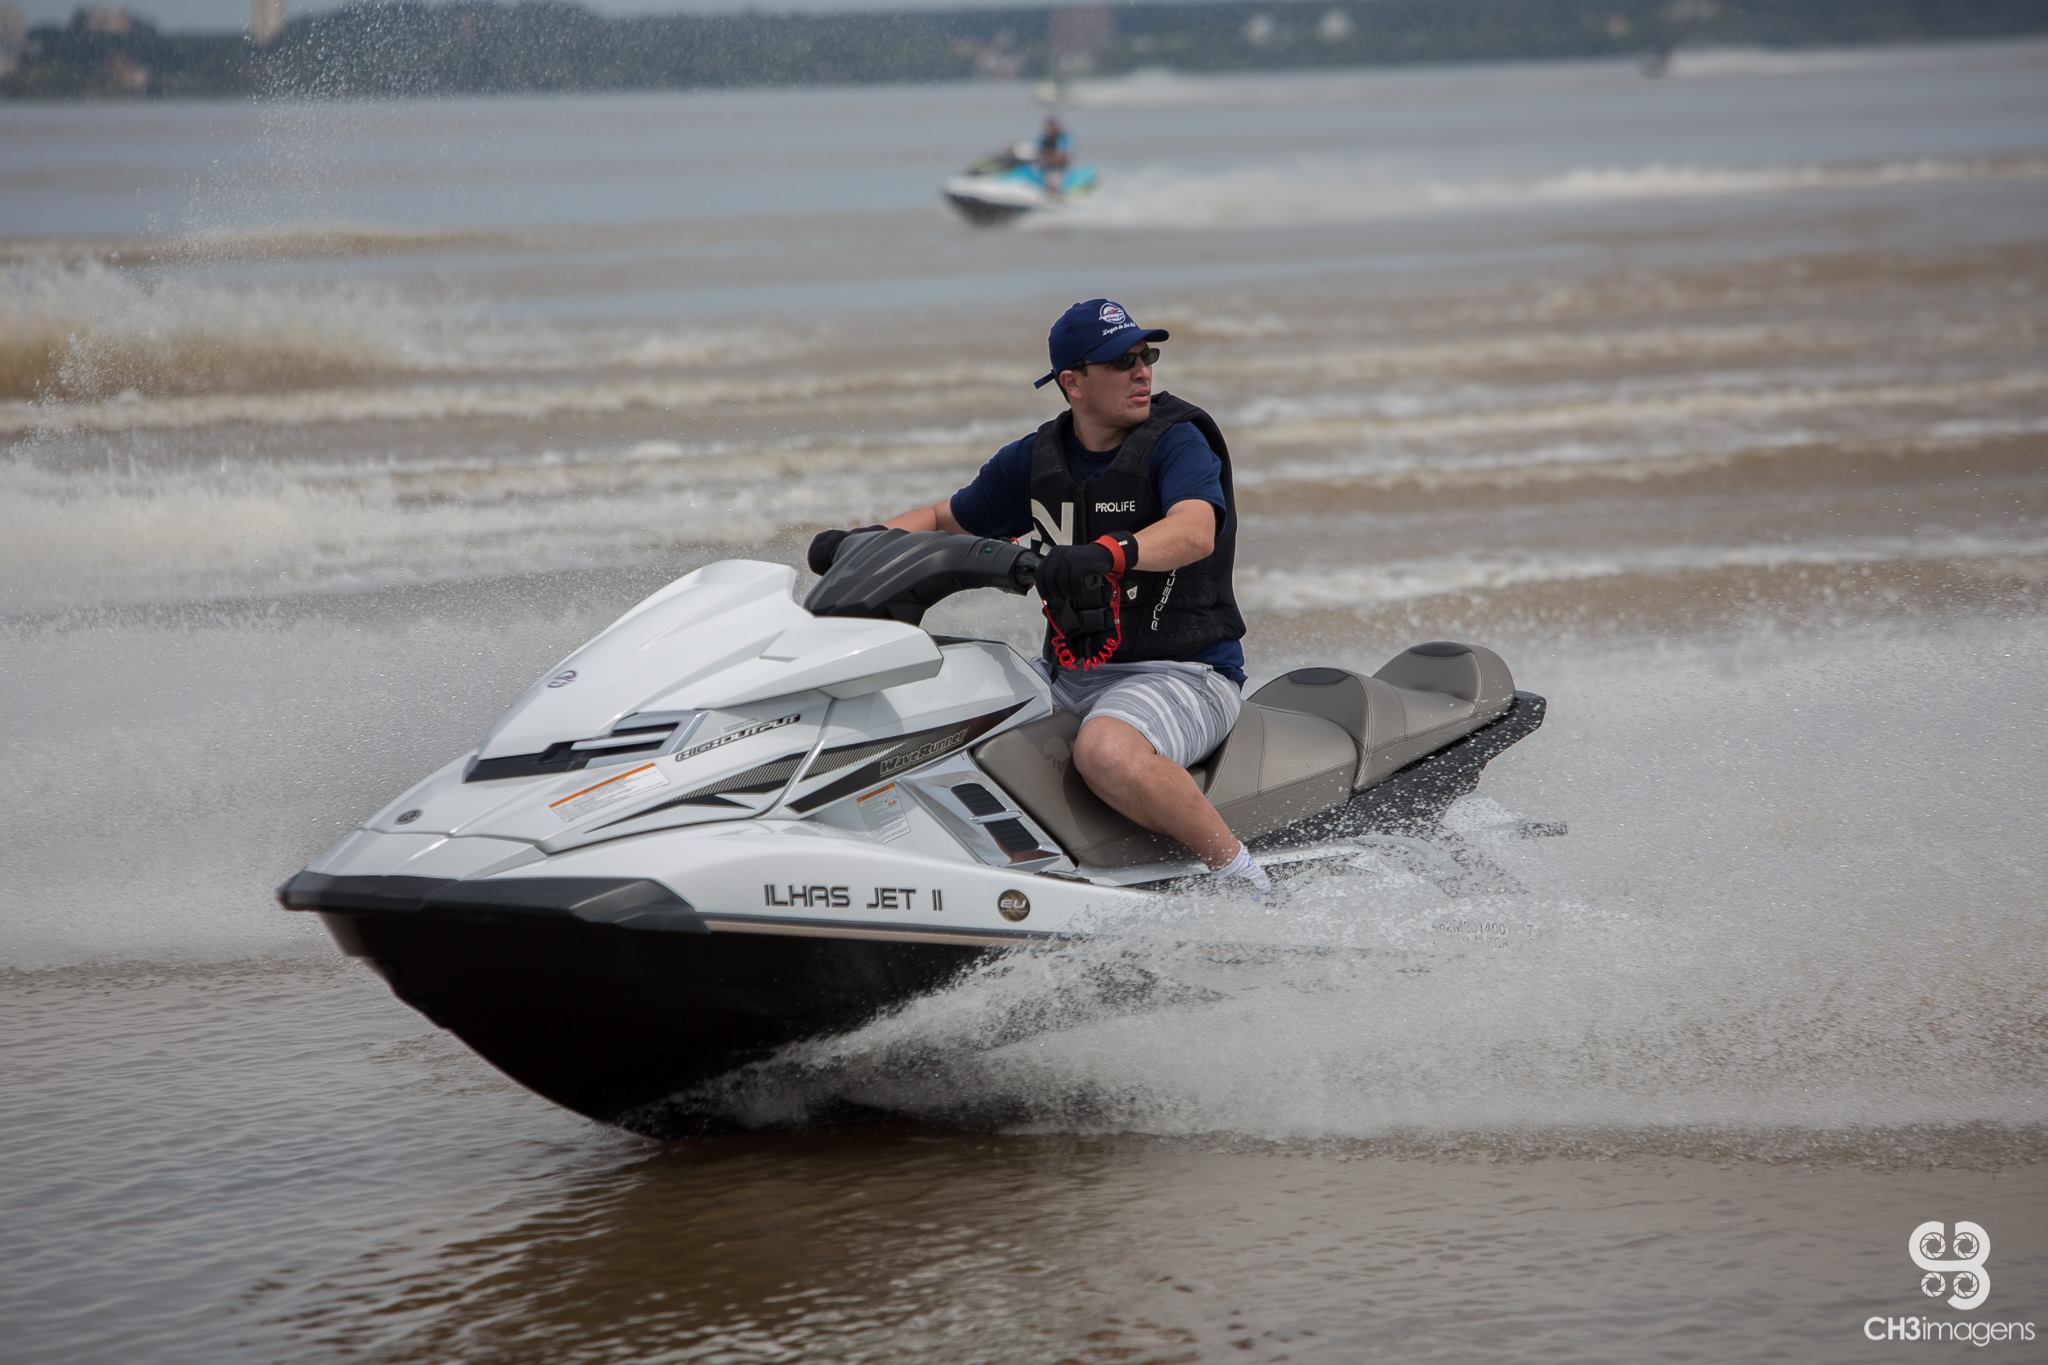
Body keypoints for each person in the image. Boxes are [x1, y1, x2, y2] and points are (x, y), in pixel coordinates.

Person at [808, 299, 1269, 896]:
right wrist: (864, 543)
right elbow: (944, 519)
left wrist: (1110, 553)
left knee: (1105, 752)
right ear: (1072, 383)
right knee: (934, 713)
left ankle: (1243, 878)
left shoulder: (1177, 441)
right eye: (1121, 361)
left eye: (1146, 355)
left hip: (1185, 672)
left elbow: (1195, 529)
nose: (1142, 372)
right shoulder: (1036, 459)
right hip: (1069, 673)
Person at [1037, 115, 1070, 197]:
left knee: (1053, 182)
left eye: (1051, 127)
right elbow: (1036, 151)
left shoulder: (1062, 138)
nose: (1049, 129)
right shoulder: (1043, 139)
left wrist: (1048, 157)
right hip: (1045, 168)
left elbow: (1062, 156)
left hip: (1057, 168)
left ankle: (1056, 194)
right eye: (1048, 127)